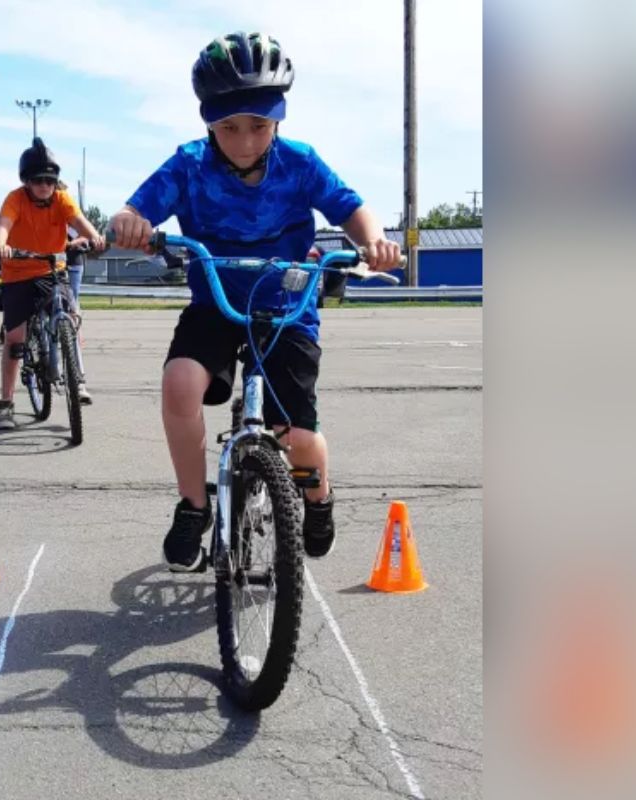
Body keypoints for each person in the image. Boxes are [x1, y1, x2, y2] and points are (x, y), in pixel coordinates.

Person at [109, 31, 402, 571]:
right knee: (180, 383)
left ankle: (318, 499)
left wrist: (373, 240)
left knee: (300, 440)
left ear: (278, 120)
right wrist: (129, 222)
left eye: (259, 126)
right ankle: (194, 506)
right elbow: (135, 210)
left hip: (286, 308)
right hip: (216, 304)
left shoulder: (300, 162)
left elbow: (350, 207)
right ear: (209, 124)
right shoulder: (189, 165)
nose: (244, 141)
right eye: (229, 127)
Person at [0, 137, 104, 429]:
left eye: (50, 180)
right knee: (15, 339)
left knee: (71, 316)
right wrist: (1, 244)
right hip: (17, 272)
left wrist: (93, 237)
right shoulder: (14, 199)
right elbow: (4, 225)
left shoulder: (62, 199)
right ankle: (6, 404)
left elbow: (79, 221)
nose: (44, 185)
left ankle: (77, 380)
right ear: (27, 181)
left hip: (52, 269)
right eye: (38, 180)